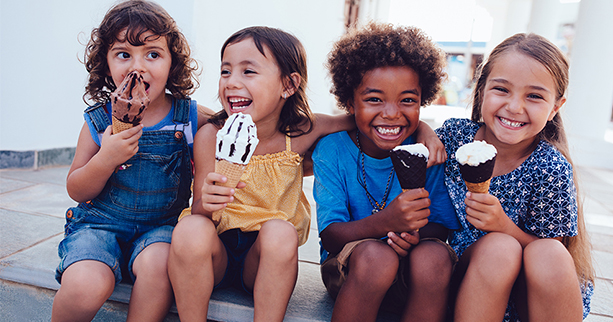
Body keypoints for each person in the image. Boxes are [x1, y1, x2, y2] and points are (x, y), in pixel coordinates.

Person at [167, 26, 445, 322]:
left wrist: (424, 130)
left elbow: (366, 118)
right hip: (215, 253)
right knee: (190, 228)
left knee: (280, 231)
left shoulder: (302, 132)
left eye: (248, 72)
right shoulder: (212, 135)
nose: (232, 82)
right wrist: (208, 202)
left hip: (263, 259)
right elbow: (199, 211)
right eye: (226, 71)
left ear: (288, 85)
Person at [51, 1, 211, 321]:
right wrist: (105, 159)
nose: (138, 66)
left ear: (172, 62)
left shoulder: (188, 118)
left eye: (152, 54)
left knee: (160, 266)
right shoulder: (98, 121)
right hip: (98, 226)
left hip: (160, 229)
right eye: (124, 54)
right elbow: (77, 188)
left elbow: (235, 123)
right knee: (85, 285)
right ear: (106, 64)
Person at [436, 33, 594, 322]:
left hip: (528, 299)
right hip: (466, 281)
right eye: (502, 90)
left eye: (534, 96)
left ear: (555, 107)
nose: (514, 107)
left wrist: (503, 226)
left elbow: (550, 249)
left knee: (548, 253)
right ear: (482, 89)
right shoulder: (454, 137)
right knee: (499, 250)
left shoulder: (550, 168)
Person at [313, 22, 460, 322]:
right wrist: (386, 223)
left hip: (412, 272)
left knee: (435, 257)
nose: (391, 113)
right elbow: (330, 237)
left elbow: (441, 227)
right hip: (353, 269)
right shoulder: (332, 150)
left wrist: (413, 235)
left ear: (423, 100)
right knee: (377, 257)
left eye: (407, 100)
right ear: (350, 102)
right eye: (374, 99)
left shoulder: (427, 152)